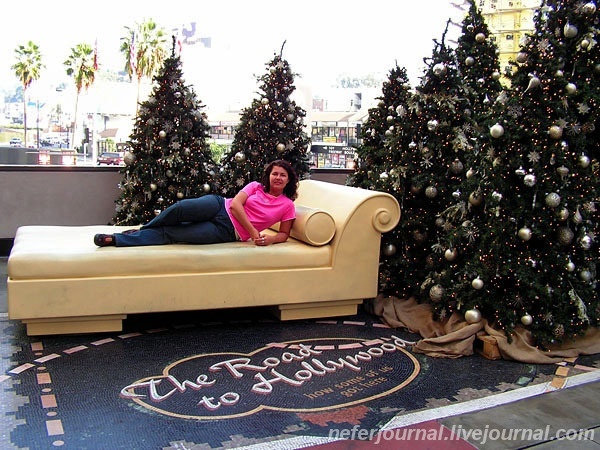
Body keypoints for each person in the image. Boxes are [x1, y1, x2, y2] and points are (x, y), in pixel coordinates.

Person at [94, 160, 298, 247]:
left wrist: (269, 240)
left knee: (174, 234)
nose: (278, 178)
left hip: (226, 231)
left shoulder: (287, 205)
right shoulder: (255, 186)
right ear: (269, 176)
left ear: (288, 180)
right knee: (179, 209)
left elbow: (284, 234)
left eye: (282, 175)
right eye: (275, 174)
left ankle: (116, 240)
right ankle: (143, 229)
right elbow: (236, 205)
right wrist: (254, 233)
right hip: (219, 206)